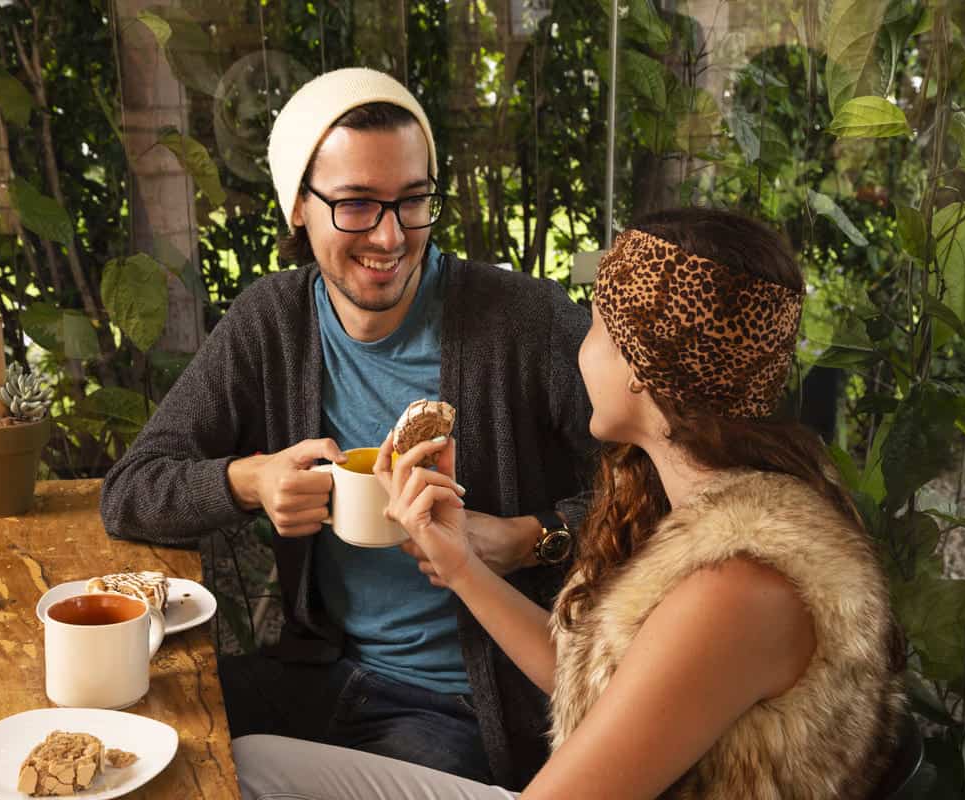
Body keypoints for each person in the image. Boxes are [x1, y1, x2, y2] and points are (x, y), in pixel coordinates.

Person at [231, 208, 908, 800]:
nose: (580, 347)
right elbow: (606, 697)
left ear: (644, 364)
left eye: (596, 328)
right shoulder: (696, 514)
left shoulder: (736, 588)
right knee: (254, 764)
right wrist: (461, 563)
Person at [99, 67, 596, 789]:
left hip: (465, 708)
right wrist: (247, 482)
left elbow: (663, 490)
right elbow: (131, 490)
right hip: (318, 677)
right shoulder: (272, 322)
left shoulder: (523, 321)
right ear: (299, 206)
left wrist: (530, 536)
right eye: (358, 205)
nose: (391, 236)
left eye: (413, 202)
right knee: (133, 748)